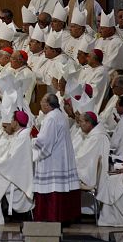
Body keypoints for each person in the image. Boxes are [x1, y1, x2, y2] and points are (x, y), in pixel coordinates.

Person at [32, 93, 81, 222]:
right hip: (60, 157)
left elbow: (45, 141)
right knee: (60, 188)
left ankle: (50, 217)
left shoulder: (51, 118)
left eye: (42, 101)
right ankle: (62, 217)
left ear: (48, 104)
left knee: (53, 188)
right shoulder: (60, 115)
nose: (40, 103)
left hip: (52, 160)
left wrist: (32, 142)